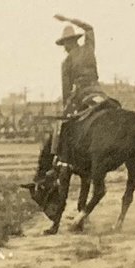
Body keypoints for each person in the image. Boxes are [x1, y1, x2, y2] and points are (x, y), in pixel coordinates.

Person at [51, 14, 105, 163]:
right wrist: (69, 20)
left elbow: (66, 90)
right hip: (99, 91)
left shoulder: (66, 62)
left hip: (81, 93)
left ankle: (61, 158)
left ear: (68, 43)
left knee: (63, 124)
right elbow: (89, 28)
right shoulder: (89, 47)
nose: (65, 49)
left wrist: (65, 108)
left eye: (65, 45)